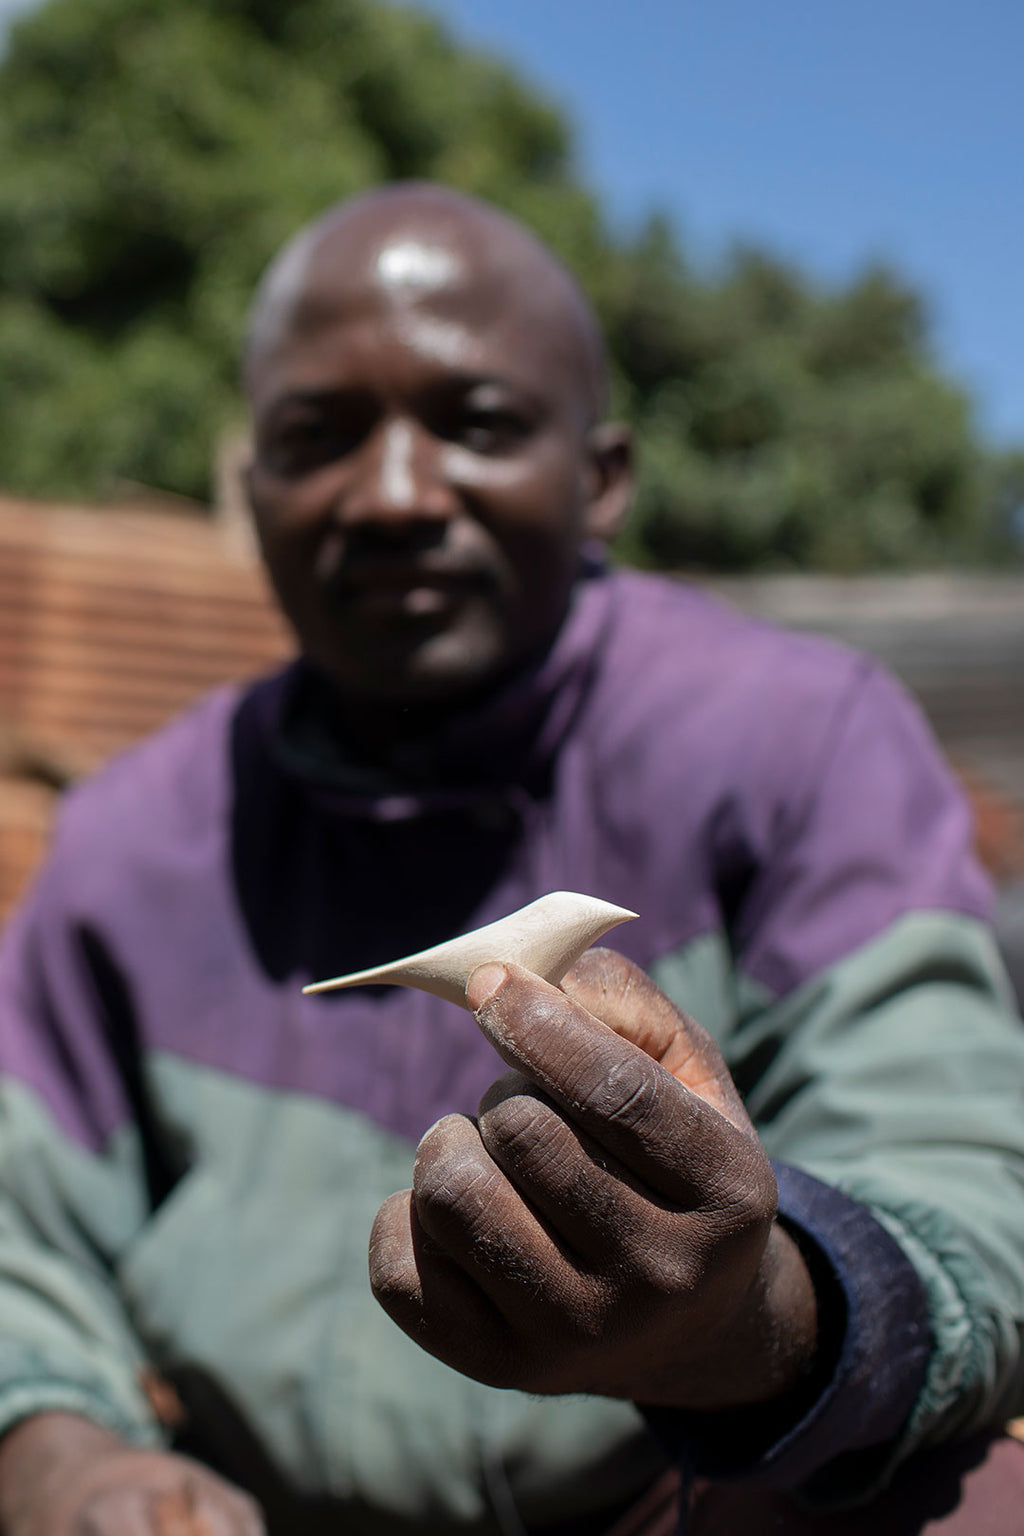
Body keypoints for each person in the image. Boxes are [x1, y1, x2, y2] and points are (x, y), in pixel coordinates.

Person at [1, 184, 1024, 1536]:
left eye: (475, 425)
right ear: (253, 494)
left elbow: (969, 1193)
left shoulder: (792, 743)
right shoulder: (134, 840)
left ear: (600, 480)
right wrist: (59, 1448)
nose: (396, 494)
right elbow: (16, 1228)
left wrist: (745, 1323)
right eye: (319, 436)